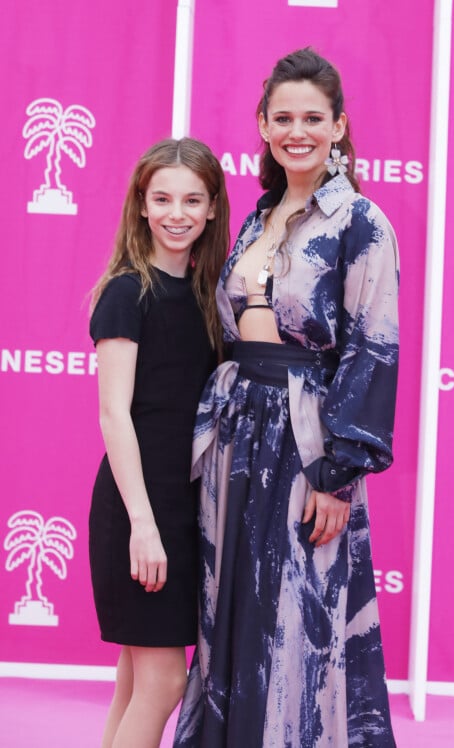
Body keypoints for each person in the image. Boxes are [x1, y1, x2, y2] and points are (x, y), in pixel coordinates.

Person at [174, 48, 399, 747]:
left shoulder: (360, 222)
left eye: (312, 117)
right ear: (263, 127)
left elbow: (371, 349)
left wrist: (337, 476)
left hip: (307, 448)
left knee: (300, 627)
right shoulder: (255, 217)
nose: (296, 130)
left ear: (338, 127)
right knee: (229, 615)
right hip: (236, 439)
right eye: (282, 118)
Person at [88, 137, 229, 748]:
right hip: (139, 509)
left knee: (134, 681)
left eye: (192, 199)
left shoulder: (205, 297)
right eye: (163, 198)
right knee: (165, 681)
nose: (178, 213)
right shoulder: (128, 292)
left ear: (213, 208)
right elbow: (114, 416)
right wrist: (144, 526)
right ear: (141, 206)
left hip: (183, 505)